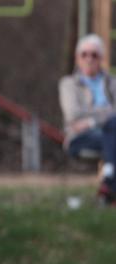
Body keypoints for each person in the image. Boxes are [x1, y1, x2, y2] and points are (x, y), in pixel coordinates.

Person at [59, 33, 116, 204]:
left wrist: (90, 120)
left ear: (101, 59)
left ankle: (107, 184)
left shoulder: (111, 82)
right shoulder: (68, 84)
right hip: (80, 137)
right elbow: (73, 114)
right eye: (84, 54)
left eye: (94, 55)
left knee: (112, 127)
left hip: (106, 131)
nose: (89, 59)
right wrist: (107, 113)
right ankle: (109, 184)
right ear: (77, 58)